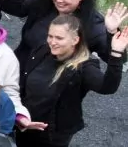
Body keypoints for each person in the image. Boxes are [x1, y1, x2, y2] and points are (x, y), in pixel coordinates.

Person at [16, 15, 127, 146]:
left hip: (51, 136)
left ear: (75, 40)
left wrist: (116, 54)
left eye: (59, 38)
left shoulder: (83, 67)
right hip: (24, 123)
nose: (52, 42)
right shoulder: (43, 51)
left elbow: (107, 87)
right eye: (50, 36)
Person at [4, 0, 127, 67]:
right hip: (16, 70)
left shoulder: (92, 24)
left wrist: (112, 32)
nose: (58, 0)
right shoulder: (44, 2)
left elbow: (116, 60)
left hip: (49, 90)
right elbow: (15, 9)